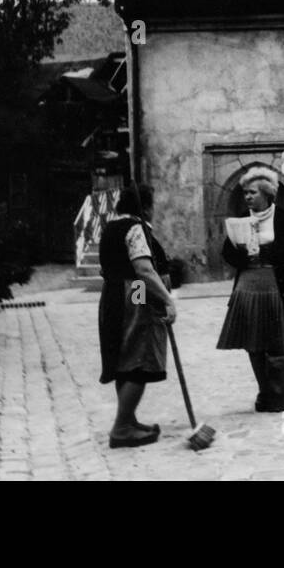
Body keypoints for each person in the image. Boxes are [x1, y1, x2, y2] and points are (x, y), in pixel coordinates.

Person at [216, 166, 284, 410]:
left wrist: (265, 251)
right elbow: (227, 251)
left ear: (267, 194)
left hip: (276, 283)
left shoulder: (283, 218)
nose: (247, 197)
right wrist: (244, 254)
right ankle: (265, 390)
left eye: (252, 193)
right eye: (245, 193)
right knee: (254, 341)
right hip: (248, 284)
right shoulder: (241, 218)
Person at [98, 183, 177, 449]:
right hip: (135, 292)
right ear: (145, 206)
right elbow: (143, 269)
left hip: (113, 295)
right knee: (139, 356)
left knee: (125, 358)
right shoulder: (134, 228)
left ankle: (128, 419)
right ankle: (121, 428)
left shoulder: (111, 226)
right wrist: (167, 301)